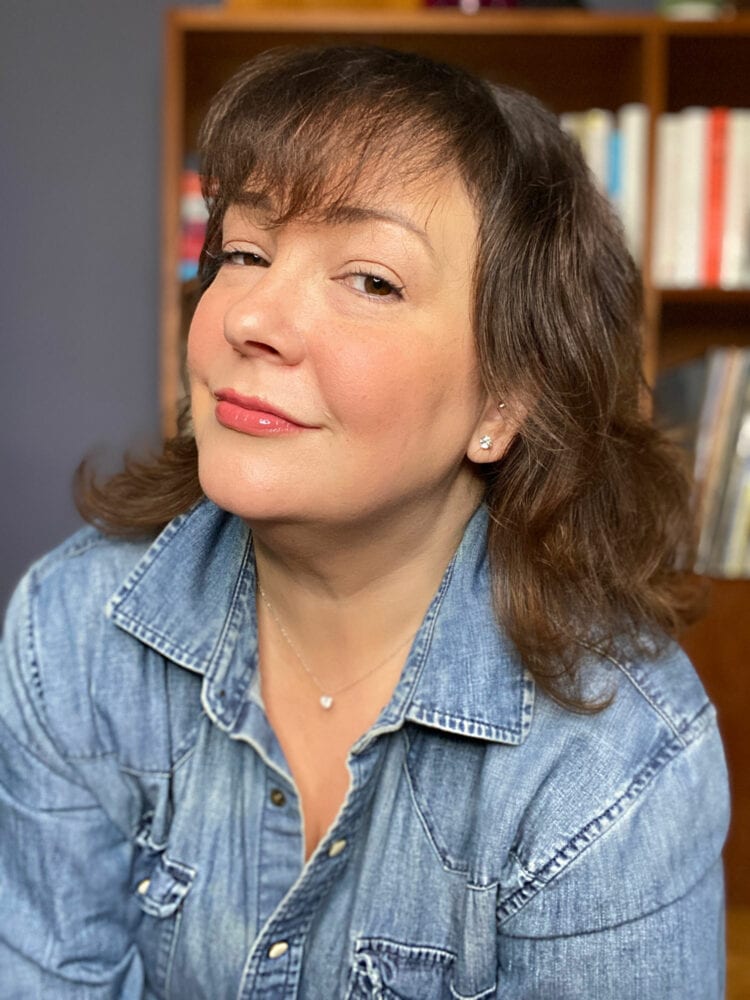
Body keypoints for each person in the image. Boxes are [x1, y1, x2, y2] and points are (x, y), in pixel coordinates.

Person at [0, 44, 729, 999]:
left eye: (371, 280)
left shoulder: (618, 757)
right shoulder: (77, 625)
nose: (253, 316)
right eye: (245, 253)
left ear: (501, 405)